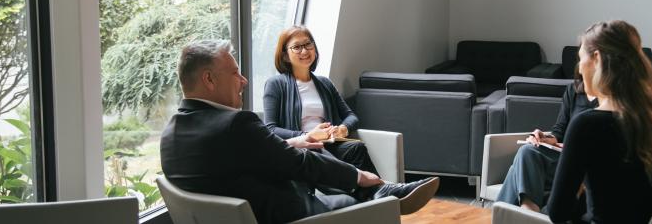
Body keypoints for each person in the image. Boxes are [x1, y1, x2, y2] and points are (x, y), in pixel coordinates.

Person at [160, 40, 439, 223]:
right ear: (209, 79)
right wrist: (359, 175)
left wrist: (296, 143)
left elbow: (250, 161)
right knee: (348, 192)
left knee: (317, 154)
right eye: (235, 73)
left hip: (247, 213)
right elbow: (294, 163)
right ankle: (382, 191)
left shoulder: (171, 133)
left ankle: (383, 191)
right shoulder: (235, 124)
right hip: (289, 216)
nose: (243, 80)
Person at [547, 20, 652, 223]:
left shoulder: (585, 126)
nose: (579, 68)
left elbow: (557, 213)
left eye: (580, 58)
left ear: (597, 59)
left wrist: (581, 190)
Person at [263, 25, 377, 174]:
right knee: (328, 157)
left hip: (328, 144)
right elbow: (270, 129)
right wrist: (308, 135)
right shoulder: (275, 84)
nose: (304, 51)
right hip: (302, 147)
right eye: (296, 47)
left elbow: (351, 116)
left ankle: (379, 190)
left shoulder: (325, 83)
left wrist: (342, 129)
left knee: (356, 148)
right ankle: (384, 191)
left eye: (308, 44)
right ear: (285, 56)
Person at [495, 78, 598, 212]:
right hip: (562, 157)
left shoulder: (613, 97)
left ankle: (525, 215)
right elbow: (560, 129)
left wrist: (573, 146)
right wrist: (547, 137)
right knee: (527, 152)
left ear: (597, 58)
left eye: (582, 57)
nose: (579, 64)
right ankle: (528, 213)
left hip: (584, 162)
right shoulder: (574, 89)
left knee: (521, 162)